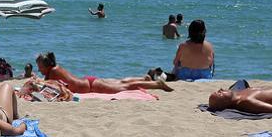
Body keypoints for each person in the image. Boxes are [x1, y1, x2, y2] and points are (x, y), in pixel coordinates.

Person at [35, 51, 172, 93]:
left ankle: (157, 85)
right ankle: (144, 78)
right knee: (121, 82)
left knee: (124, 87)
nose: (39, 69)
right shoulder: (53, 69)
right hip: (89, 82)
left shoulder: (53, 72)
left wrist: (36, 81)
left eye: (40, 66)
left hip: (91, 86)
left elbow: (47, 87)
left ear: (46, 66)